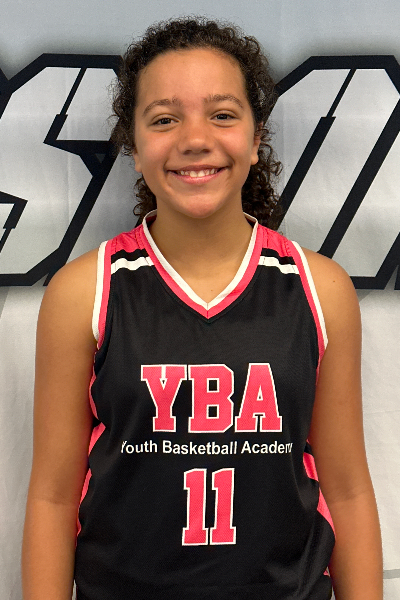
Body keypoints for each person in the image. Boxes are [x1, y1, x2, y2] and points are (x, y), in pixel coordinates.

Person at [22, 16, 383, 600]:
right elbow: (53, 498)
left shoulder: (320, 288)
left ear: (256, 138)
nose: (195, 139)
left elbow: (346, 491)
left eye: (222, 114)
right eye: (164, 119)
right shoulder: (84, 293)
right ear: (134, 148)